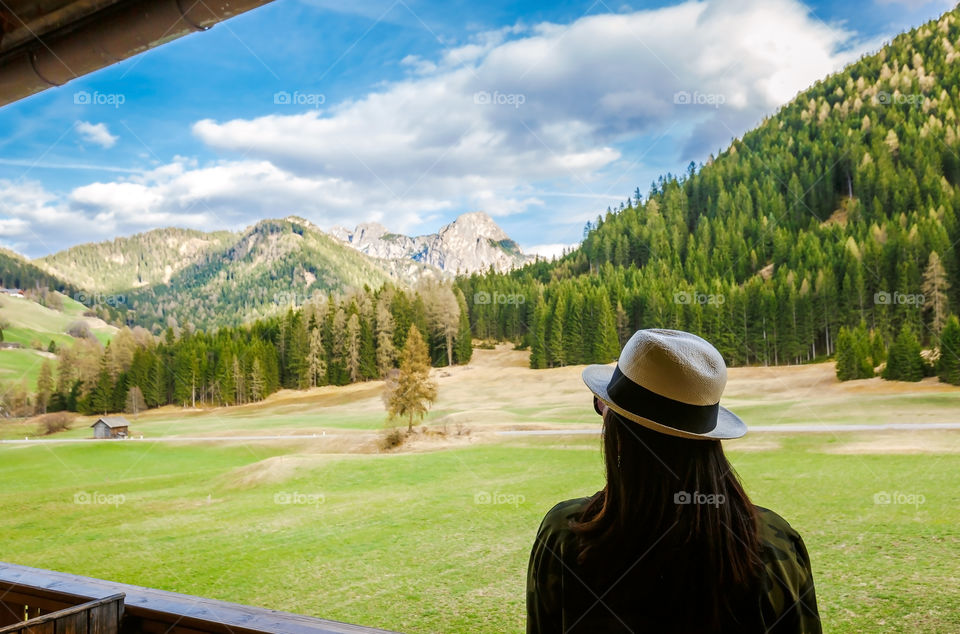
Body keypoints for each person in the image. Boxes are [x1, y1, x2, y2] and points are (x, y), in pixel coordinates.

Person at [527, 329, 820, 633]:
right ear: (708, 437)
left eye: (602, 406)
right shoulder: (775, 545)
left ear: (616, 428)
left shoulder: (564, 536)